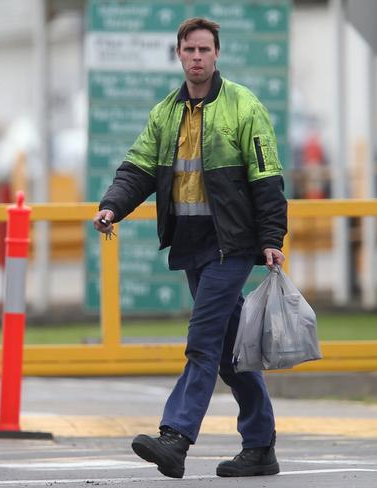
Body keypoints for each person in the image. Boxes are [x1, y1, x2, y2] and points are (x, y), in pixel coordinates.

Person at [92, 17, 287, 479]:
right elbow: (137, 169)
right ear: (179, 55)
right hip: (191, 245)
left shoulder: (244, 107)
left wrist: (271, 239)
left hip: (231, 246)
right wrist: (111, 207)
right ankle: (260, 445)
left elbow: (267, 178)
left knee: (202, 340)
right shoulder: (165, 113)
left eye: (204, 50)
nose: (197, 57)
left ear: (217, 54)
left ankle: (176, 437)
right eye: (189, 50)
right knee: (228, 349)